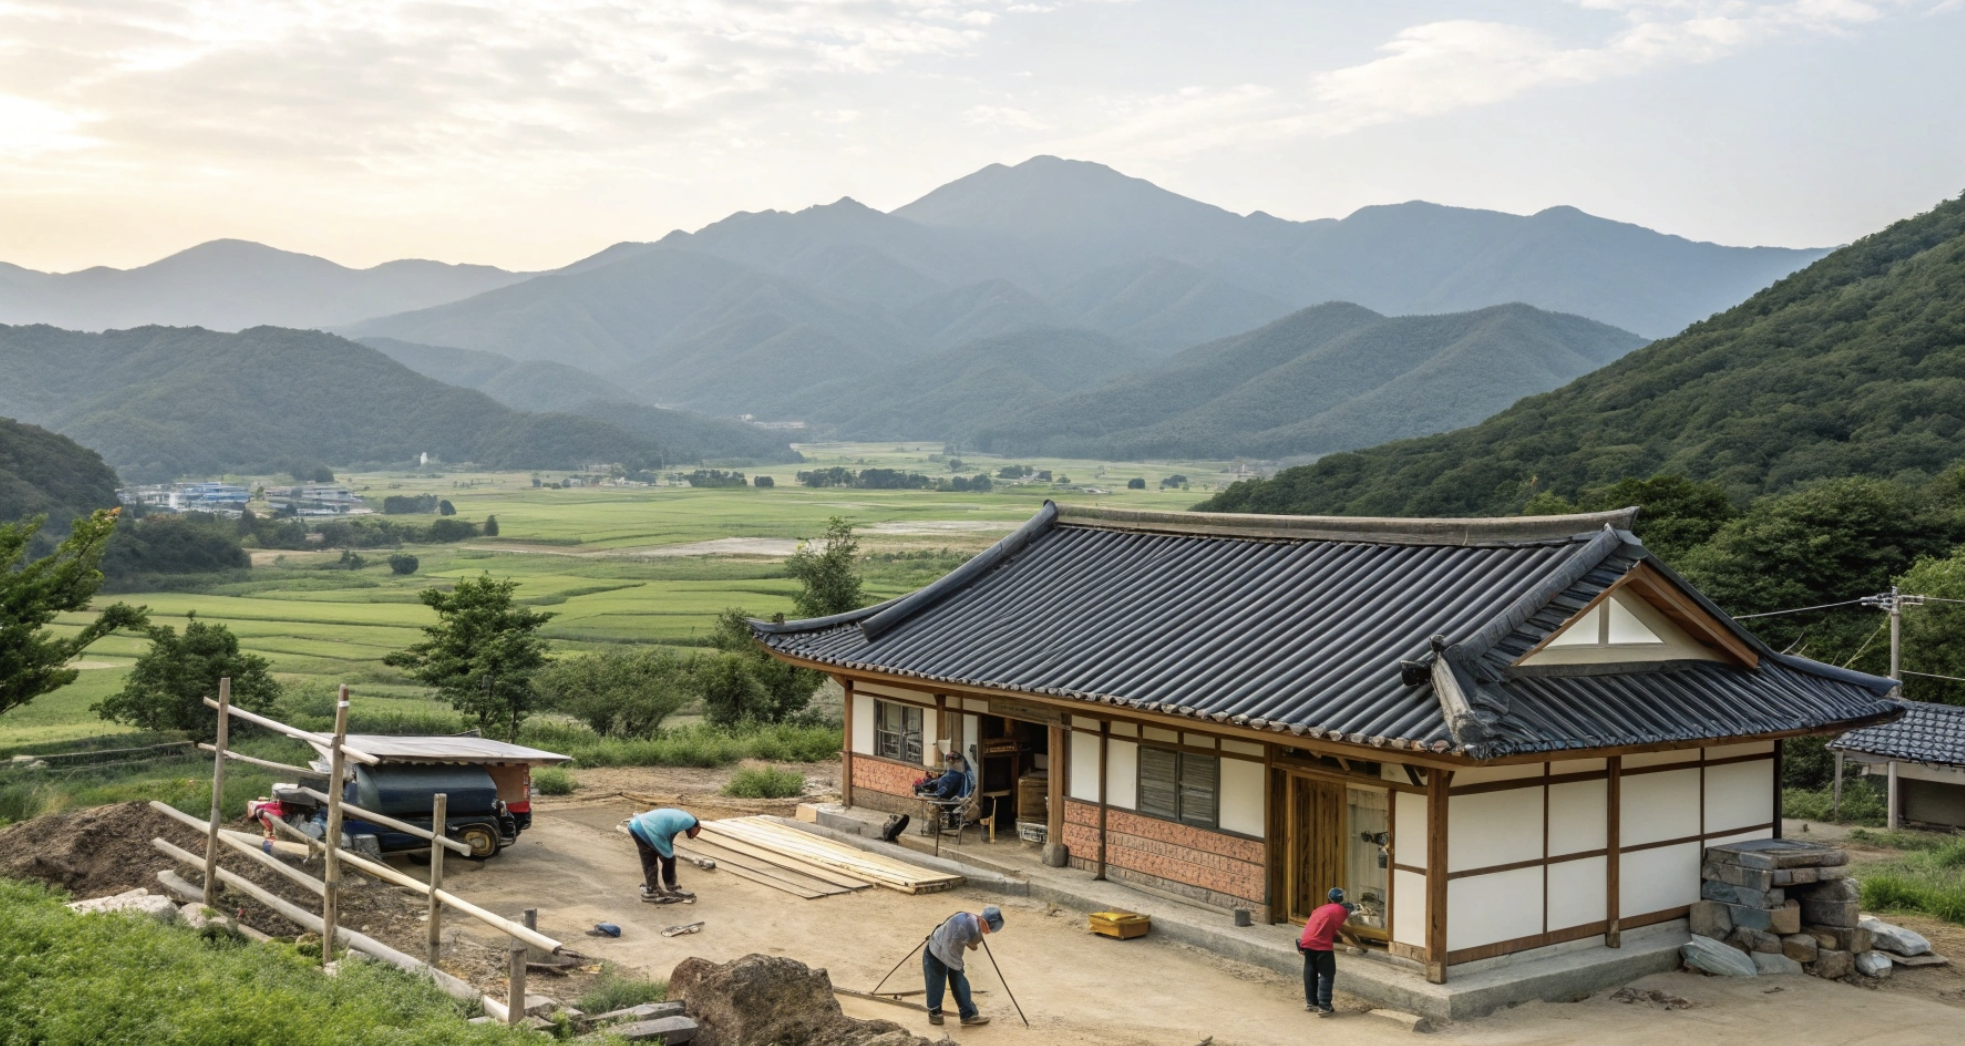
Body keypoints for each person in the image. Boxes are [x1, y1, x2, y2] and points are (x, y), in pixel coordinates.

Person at [923, 905, 1002, 1027]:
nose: (989, 932)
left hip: (941, 944)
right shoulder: (970, 927)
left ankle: (958, 1013)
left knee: (954, 979)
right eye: (990, 928)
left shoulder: (969, 918)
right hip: (936, 949)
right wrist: (959, 965)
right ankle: (938, 1012)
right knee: (938, 980)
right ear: (987, 922)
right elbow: (959, 950)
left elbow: (970, 944)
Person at [627, 807, 701, 904]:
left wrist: (666, 852)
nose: (695, 835)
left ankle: (658, 887)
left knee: (664, 857)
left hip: (636, 824)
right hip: (645, 828)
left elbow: (669, 834)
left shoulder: (683, 818)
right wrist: (666, 853)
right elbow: (668, 836)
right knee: (652, 857)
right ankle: (653, 891)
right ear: (697, 827)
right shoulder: (690, 822)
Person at [1298, 887, 1351, 1016]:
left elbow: (1318, 926)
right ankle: (1324, 1005)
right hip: (1321, 945)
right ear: (1342, 899)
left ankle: (1312, 1003)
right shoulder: (1342, 910)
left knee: (1310, 971)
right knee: (1327, 973)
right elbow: (1346, 928)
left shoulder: (1320, 909)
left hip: (1306, 942)